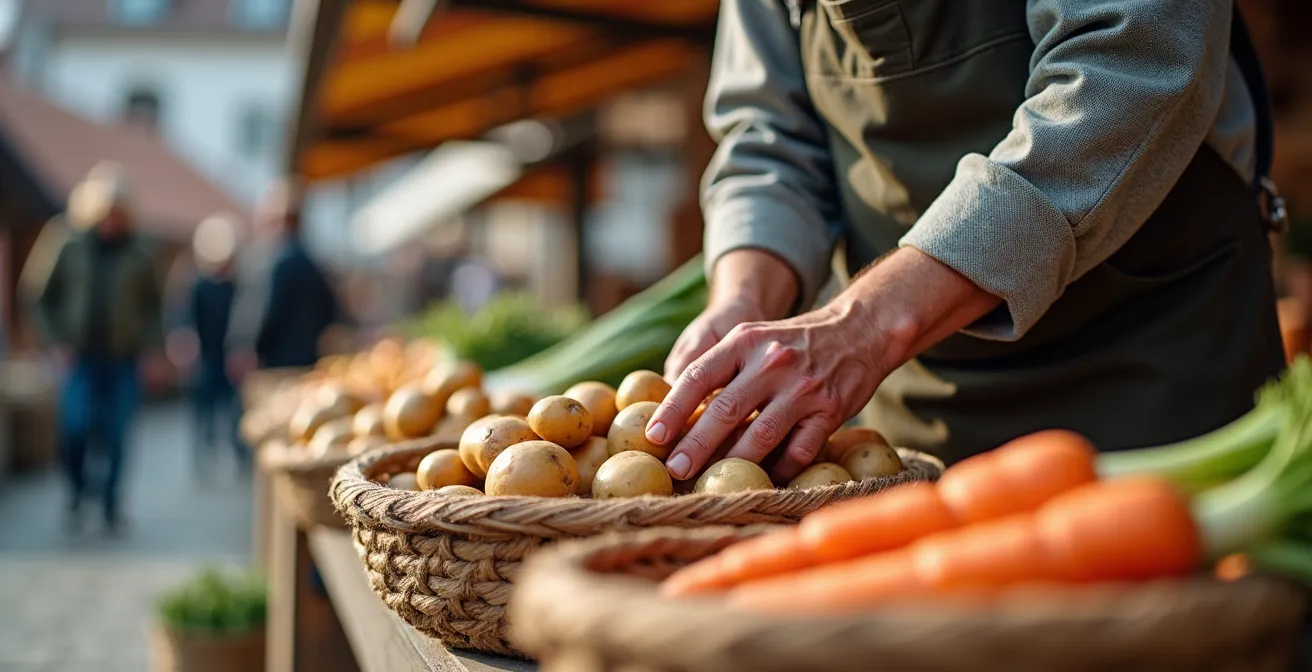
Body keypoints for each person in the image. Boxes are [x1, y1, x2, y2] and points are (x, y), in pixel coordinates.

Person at [644, 0, 1286, 484]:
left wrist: (865, 324)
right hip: (916, 404)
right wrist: (744, 299)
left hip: (1154, 364)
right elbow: (770, 141)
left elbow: (1128, 65)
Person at [22, 161, 167, 532]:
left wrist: (152, 350)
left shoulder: (140, 250)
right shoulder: (66, 240)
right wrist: (56, 342)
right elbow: (38, 295)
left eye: (118, 213)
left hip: (123, 359)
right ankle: (76, 492)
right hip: (79, 359)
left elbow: (154, 306)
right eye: (105, 212)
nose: (111, 221)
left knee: (117, 435)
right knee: (75, 428)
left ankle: (110, 505)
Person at [252, 178, 342, 370]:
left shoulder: (283, 262)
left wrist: (255, 347)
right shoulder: (312, 262)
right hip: (309, 357)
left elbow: (272, 311)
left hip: (280, 360)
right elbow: (331, 310)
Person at [187, 212, 248, 474]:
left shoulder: (236, 286)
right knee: (205, 411)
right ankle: (203, 453)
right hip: (206, 356)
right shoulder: (199, 286)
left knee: (234, 410)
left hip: (229, 356)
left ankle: (238, 453)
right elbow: (187, 320)